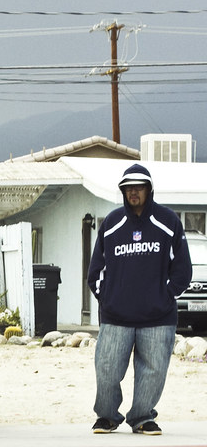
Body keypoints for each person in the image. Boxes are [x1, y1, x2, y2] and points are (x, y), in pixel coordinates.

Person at [87, 163, 192, 436]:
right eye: (128, 188)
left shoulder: (168, 222)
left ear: (149, 190)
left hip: (158, 318)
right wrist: (107, 299)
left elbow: (182, 269)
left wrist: (165, 296)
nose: (133, 192)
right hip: (116, 316)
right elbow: (95, 271)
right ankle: (107, 417)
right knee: (107, 370)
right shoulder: (111, 224)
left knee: (153, 372)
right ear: (123, 191)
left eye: (139, 187)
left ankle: (143, 418)